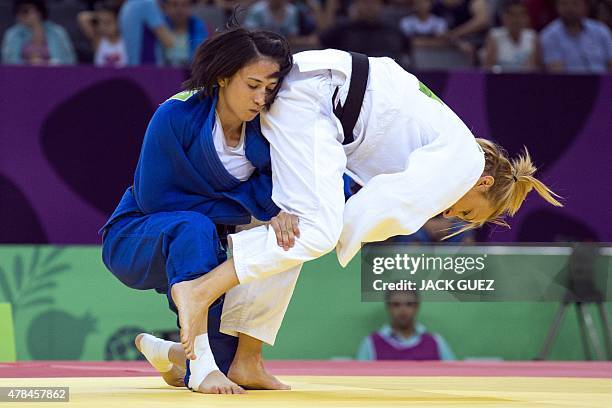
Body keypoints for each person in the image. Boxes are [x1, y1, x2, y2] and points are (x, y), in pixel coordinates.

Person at [169, 48, 563, 394]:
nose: (450, 214)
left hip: (317, 100)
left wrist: (323, 230)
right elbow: (392, 202)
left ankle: (247, 358)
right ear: (484, 182)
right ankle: (200, 290)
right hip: (314, 97)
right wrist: (338, 234)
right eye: (466, 211)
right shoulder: (465, 162)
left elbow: (383, 197)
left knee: (292, 232)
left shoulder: (445, 142)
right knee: (315, 232)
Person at [100, 26, 293, 394]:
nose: (260, 98)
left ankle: (172, 354)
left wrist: (284, 209)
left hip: (206, 249)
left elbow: (301, 182)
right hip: (137, 235)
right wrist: (253, 203)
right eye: (252, 85)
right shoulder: (176, 115)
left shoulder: (269, 131)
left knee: (287, 234)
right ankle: (201, 365)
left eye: (269, 89)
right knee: (195, 225)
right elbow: (156, 199)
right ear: (222, 76)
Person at [357, 290, 455, 361]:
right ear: (388, 307)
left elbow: (454, 379)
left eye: (409, 304)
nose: (403, 310)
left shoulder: (436, 342)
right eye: (396, 304)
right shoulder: (370, 343)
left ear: (417, 306)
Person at [540, 0, 612, 72]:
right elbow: (557, 73)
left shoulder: (601, 30)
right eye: (564, 3)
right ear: (556, 6)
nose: (569, 8)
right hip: (567, 82)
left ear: (585, 6)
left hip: (603, 81)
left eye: (575, 3)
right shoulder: (549, 35)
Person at [1, 0, 76, 65]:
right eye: (18, 12)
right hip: (22, 76)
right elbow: (8, 61)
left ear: (39, 12)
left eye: (25, 11)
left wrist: (47, 63)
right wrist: (28, 63)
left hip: (55, 75)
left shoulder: (57, 32)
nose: (21, 15)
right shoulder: (13, 33)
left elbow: (69, 60)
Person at [484, 0, 540, 72]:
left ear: (526, 17)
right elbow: (488, 68)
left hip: (525, 81)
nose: (516, 20)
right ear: (504, 17)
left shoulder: (532, 37)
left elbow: (537, 70)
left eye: (520, 14)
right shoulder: (494, 36)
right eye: (512, 15)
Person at [119, 0, 176, 65]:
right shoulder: (147, 4)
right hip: (148, 68)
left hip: (131, 67)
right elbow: (169, 42)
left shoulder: (126, 5)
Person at [78, 1, 128, 67]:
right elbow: (82, 17)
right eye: (100, 22)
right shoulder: (98, 40)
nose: (103, 27)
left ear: (118, 21)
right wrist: (98, 15)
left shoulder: (126, 40)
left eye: (108, 22)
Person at [159, 0, 208, 67]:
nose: (179, 9)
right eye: (174, 5)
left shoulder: (198, 27)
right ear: (167, 7)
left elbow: (200, 57)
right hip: (163, 73)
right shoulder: (160, 26)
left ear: (190, 7)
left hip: (189, 73)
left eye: (184, 5)